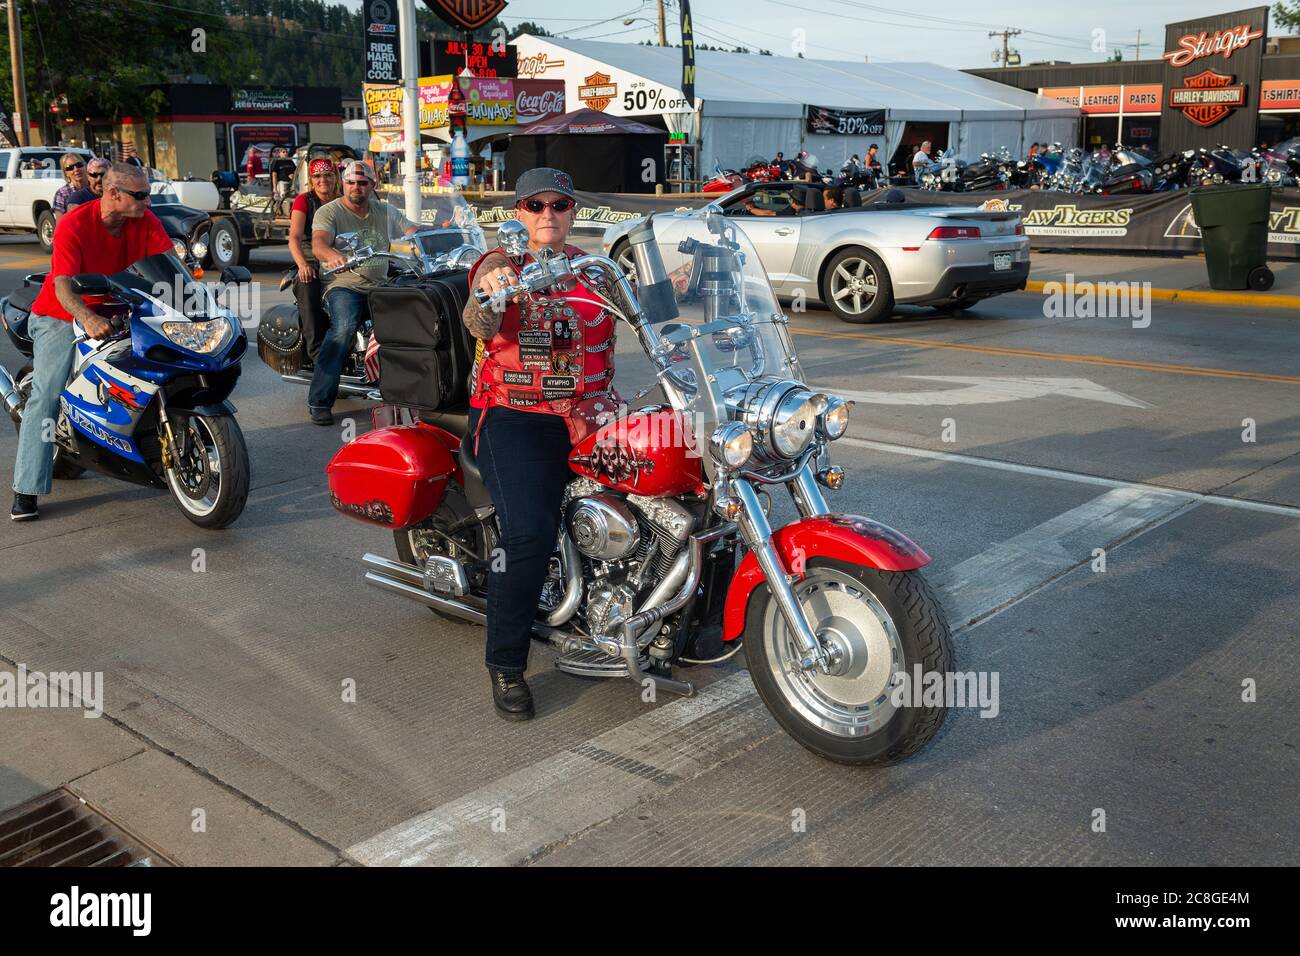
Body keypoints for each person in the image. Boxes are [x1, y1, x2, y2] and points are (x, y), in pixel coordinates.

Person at [460, 166, 620, 721]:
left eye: (559, 204)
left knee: (680, 478)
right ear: (519, 213)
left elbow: (653, 319)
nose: (548, 214)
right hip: (517, 418)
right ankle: (506, 663)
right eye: (535, 205)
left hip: (592, 414)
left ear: (573, 210)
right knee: (527, 534)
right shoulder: (504, 263)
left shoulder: (594, 270)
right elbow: (478, 321)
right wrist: (493, 291)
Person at [10, 164, 173, 521]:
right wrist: (87, 317)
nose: (148, 201)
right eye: (141, 195)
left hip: (120, 307)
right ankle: (26, 488)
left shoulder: (144, 220)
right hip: (62, 313)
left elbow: (170, 266)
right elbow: (63, 285)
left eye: (149, 193)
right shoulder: (74, 223)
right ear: (113, 194)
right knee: (48, 393)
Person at [309, 159, 419, 426]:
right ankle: (320, 401)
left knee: (414, 320)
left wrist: (436, 232)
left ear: (373, 185)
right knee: (344, 328)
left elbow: (411, 229)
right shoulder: (329, 212)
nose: (355, 187)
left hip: (380, 286)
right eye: (350, 182)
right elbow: (319, 243)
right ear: (343, 183)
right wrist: (332, 255)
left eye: (362, 182)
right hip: (344, 285)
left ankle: (409, 393)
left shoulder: (384, 210)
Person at [288, 158, 338, 367]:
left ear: (336, 177)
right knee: (308, 287)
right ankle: (318, 356)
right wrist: (302, 265)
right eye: (317, 176)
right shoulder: (304, 201)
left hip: (340, 260)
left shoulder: (344, 200)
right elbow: (294, 239)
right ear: (311, 179)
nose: (323, 180)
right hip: (311, 262)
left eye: (327, 175)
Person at [52, 154, 90, 222]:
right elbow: (60, 224)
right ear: (66, 173)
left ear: (85, 166)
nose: (76, 169)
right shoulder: (62, 194)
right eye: (70, 168)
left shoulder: (96, 187)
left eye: (79, 165)